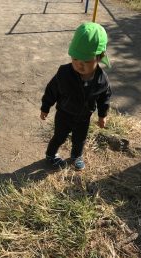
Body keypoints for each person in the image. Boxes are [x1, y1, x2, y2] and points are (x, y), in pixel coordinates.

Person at [40, 22, 112, 170]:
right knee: (59, 136)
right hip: (64, 114)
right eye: (75, 59)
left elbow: (105, 97)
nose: (79, 64)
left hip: (84, 117)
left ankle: (76, 155)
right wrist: (45, 107)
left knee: (80, 139)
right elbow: (51, 90)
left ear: (99, 57)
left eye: (86, 61)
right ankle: (50, 154)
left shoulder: (101, 79)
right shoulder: (64, 73)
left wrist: (102, 115)